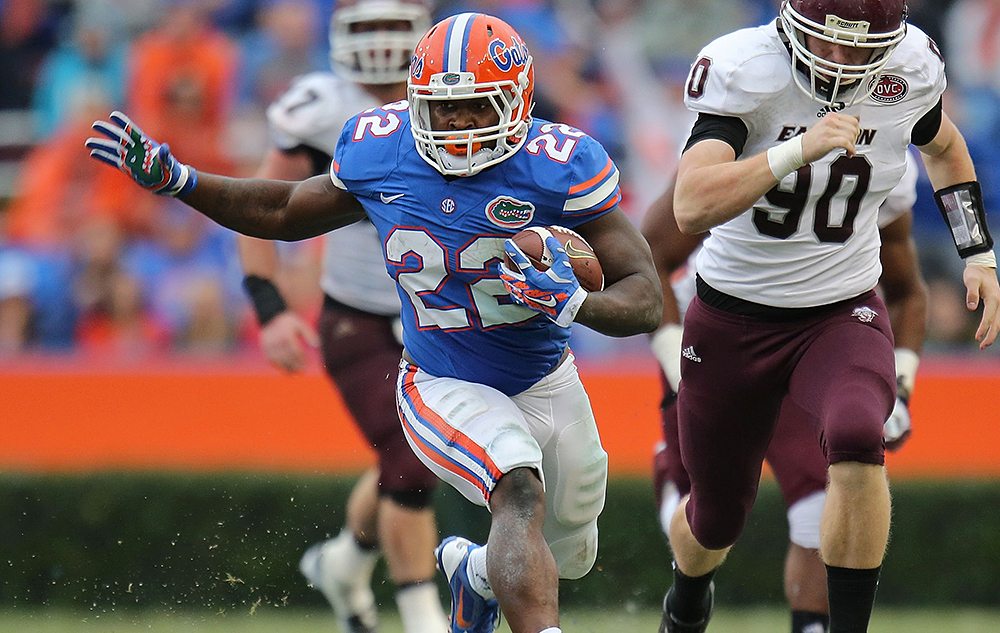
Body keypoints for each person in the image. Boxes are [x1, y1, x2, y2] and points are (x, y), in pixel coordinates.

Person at [86, 12, 662, 633]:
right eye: (445, 110)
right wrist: (181, 180)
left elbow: (646, 296)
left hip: (546, 376)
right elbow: (282, 208)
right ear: (417, 103)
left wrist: (571, 304)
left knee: (572, 555)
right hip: (442, 377)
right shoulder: (382, 148)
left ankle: (473, 574)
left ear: (518, 103)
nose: (459, 127)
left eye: (477, 108)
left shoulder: (560, 163)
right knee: (516, 489)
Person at [658, 1, 1000, 632]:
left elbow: (946, 149)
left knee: (856, 436)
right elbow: (690, 204)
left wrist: (978, 253)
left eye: (859, 48)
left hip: (840, 309)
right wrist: (795, 151)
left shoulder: (909, 68)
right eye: (828, 43)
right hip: (731, 318)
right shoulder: (748, 68)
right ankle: (686, 595)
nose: (841, 62)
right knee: (714, 519)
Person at [642, 152, 928, 633]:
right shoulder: (745, 121)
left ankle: (812, 624)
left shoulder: (884, 144)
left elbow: (905, 289)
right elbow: (652, 251)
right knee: (710, 522)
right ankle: (677, 508)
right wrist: (675, 359)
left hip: (819, 337)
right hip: (724, 338)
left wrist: (900, 386)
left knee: (826, 494)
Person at [236, 2, 448, 633]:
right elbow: (261, 208)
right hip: (357, 315)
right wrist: (269, 307)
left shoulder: (453, 93)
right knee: (413, 461)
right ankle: (422, 613)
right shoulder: (322, 107)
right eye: (368, 27)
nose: (382, 43)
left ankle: (344, 563)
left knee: (410, 459)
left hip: (442, 319)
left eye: (394, 26)